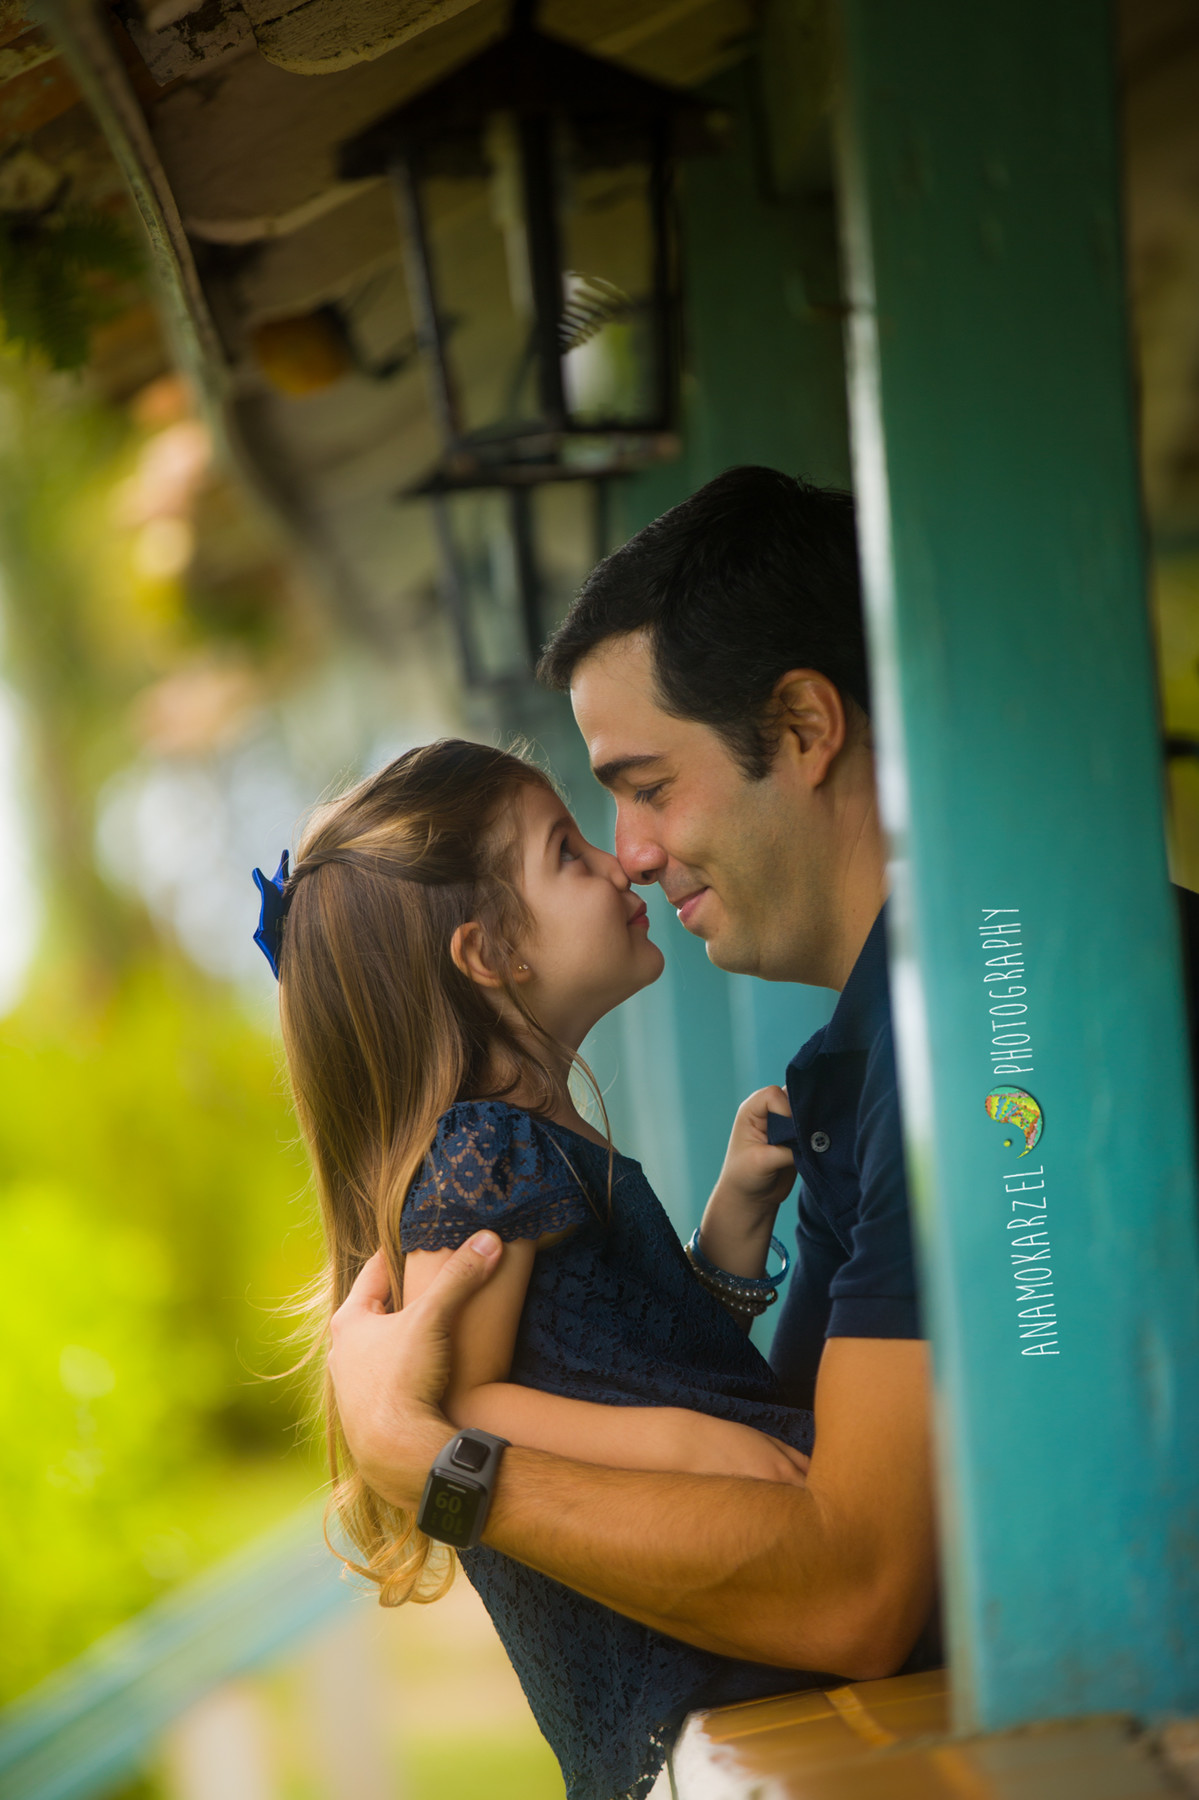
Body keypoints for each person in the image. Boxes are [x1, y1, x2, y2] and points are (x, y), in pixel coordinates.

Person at [327, 468, 939, 1716]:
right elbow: (704, 1407)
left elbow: (851, 1577)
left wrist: (419, 1454)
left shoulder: (982, 1039)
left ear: (807, 730)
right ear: (488, 960)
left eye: (646, 785)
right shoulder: (846, 1074)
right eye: (584, 831)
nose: (631, 855)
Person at [261, 737, 837, 1800]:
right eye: (567, 852)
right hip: (681, 1697)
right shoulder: (485, 1155)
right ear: (490, 956)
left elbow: (622, 1356)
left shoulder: (530, 1143)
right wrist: (684, 1444)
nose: (622, 863)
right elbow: (462, 1400)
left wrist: (729, 1226)